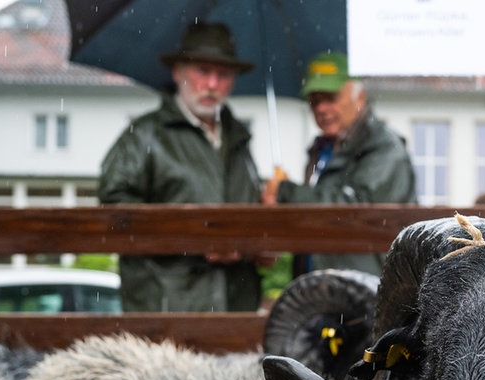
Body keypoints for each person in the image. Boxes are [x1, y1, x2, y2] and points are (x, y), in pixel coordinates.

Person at [98, 23, 264, 312]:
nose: (212, 84)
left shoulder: (240, 142)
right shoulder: (144, 135)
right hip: (166, 307)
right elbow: (115, 211)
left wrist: (258, 240)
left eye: (223, 74)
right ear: (178, 73)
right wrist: (195, 240)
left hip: (236, 305)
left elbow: (248, 214)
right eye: (203, 71)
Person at [262, 52, 417, 276]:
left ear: (360, 97)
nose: (321, 108)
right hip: (325, 287)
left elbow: (357, 209)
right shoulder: (322, 149)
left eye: (331, 98)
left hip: (364, 288)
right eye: (314, 100)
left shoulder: (385, 148)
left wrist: (285, 192)